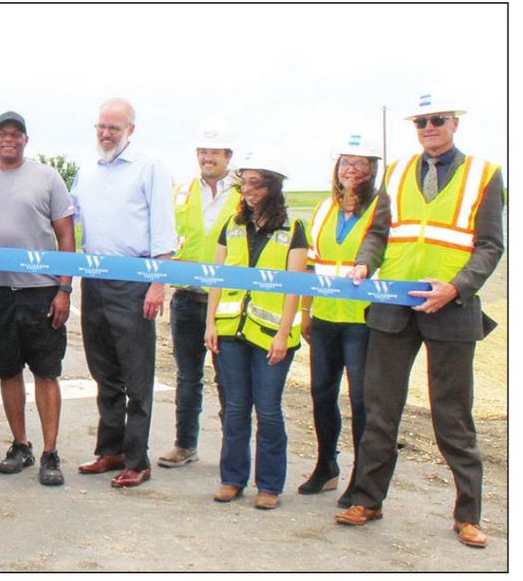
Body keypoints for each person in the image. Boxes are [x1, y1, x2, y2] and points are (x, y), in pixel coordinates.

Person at [337, 94, 504, 549]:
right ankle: (368, 500)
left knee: (453, 416)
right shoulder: (396, 172)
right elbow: (378, 233)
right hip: (392, 306)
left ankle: (467, 515)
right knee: (379, 410)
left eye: (436, 120)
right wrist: (364, 264)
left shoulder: (484, 175)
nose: (428, 127)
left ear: (454, 123)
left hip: (450, 308)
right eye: (421, 122)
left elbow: (490, 245)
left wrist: (456, 286)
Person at [0, 111, 75, 487]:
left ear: (26, 140)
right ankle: (21, 445)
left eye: (16, 134)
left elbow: (66, 236)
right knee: (7, 370)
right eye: (2, 134)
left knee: (46, 371)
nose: (9, 139)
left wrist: (64, 289)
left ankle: (50, 452)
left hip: (40, 292)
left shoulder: (47, 178)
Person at [70, 98, 177, 488]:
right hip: (94, 281)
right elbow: (72, 217)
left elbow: (164, 230)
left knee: (136, 376)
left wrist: (157, 283)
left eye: (114, 128)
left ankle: (138, 459)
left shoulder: (150, 168)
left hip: (134, 282)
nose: (105, 133)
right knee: (104, 372)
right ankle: (110, 450)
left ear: (130, 130)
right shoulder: (87, 169)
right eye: (101, 126)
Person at [205, 151, 307, 510]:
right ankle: (232, 479)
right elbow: (216, 278)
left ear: (272, 187)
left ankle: (269, 485)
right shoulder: (231, 226)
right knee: (234, 409)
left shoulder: (292, 229)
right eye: (243, 183)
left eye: (254, 183)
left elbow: (295, 286)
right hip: (231, 330)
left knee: (268, 410)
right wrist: (210, 323)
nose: (246, 190)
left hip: (271, 337)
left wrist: (282, 334)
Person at [296, 134, 381, 506]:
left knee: (361, 400)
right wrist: (306, 310)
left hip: (363, 321)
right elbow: (313, 265)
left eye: (360, 164)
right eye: (346, 162)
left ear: (372, 170)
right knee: (321, 394)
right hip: (326, 317)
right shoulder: (323, 209)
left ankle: (362, 478)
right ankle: (326, 465)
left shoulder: (381, 209)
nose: (352, 170)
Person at [157, 121, 242, 469]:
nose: (207, 158)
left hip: (227, 302)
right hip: (187, 299)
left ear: (228, 156)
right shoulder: (182, 192)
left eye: (214, 152)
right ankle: (185, 443)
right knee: (188, 376)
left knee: (229, 380)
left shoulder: (243, 195)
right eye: (202, 152)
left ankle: (232, 452)